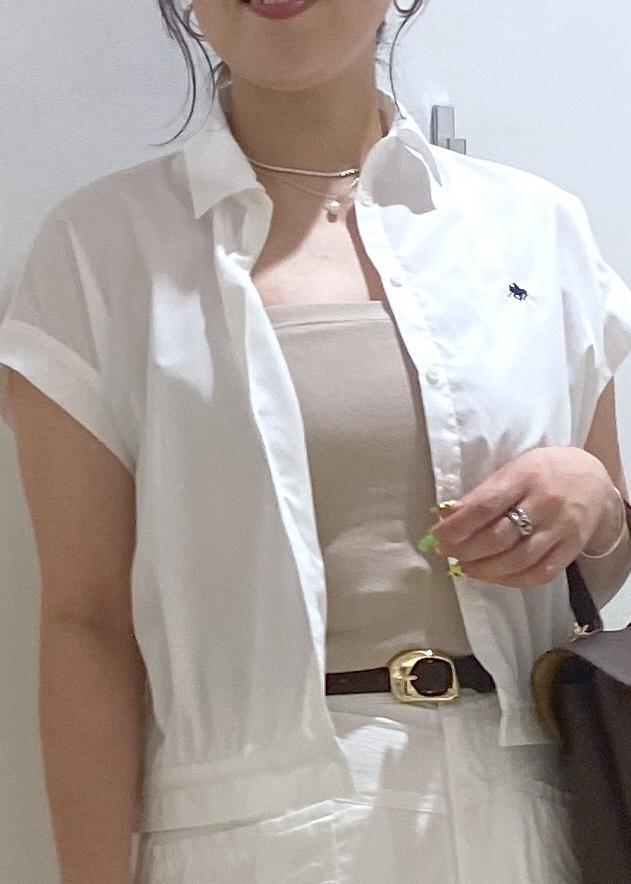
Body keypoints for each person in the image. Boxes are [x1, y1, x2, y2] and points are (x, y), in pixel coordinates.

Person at [1, 0, 631, 881]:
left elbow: (599, 572)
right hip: (243, 835)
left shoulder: (533, 228)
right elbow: (86, 623)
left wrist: (593, 501)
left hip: (527, 814)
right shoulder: (101, 250)